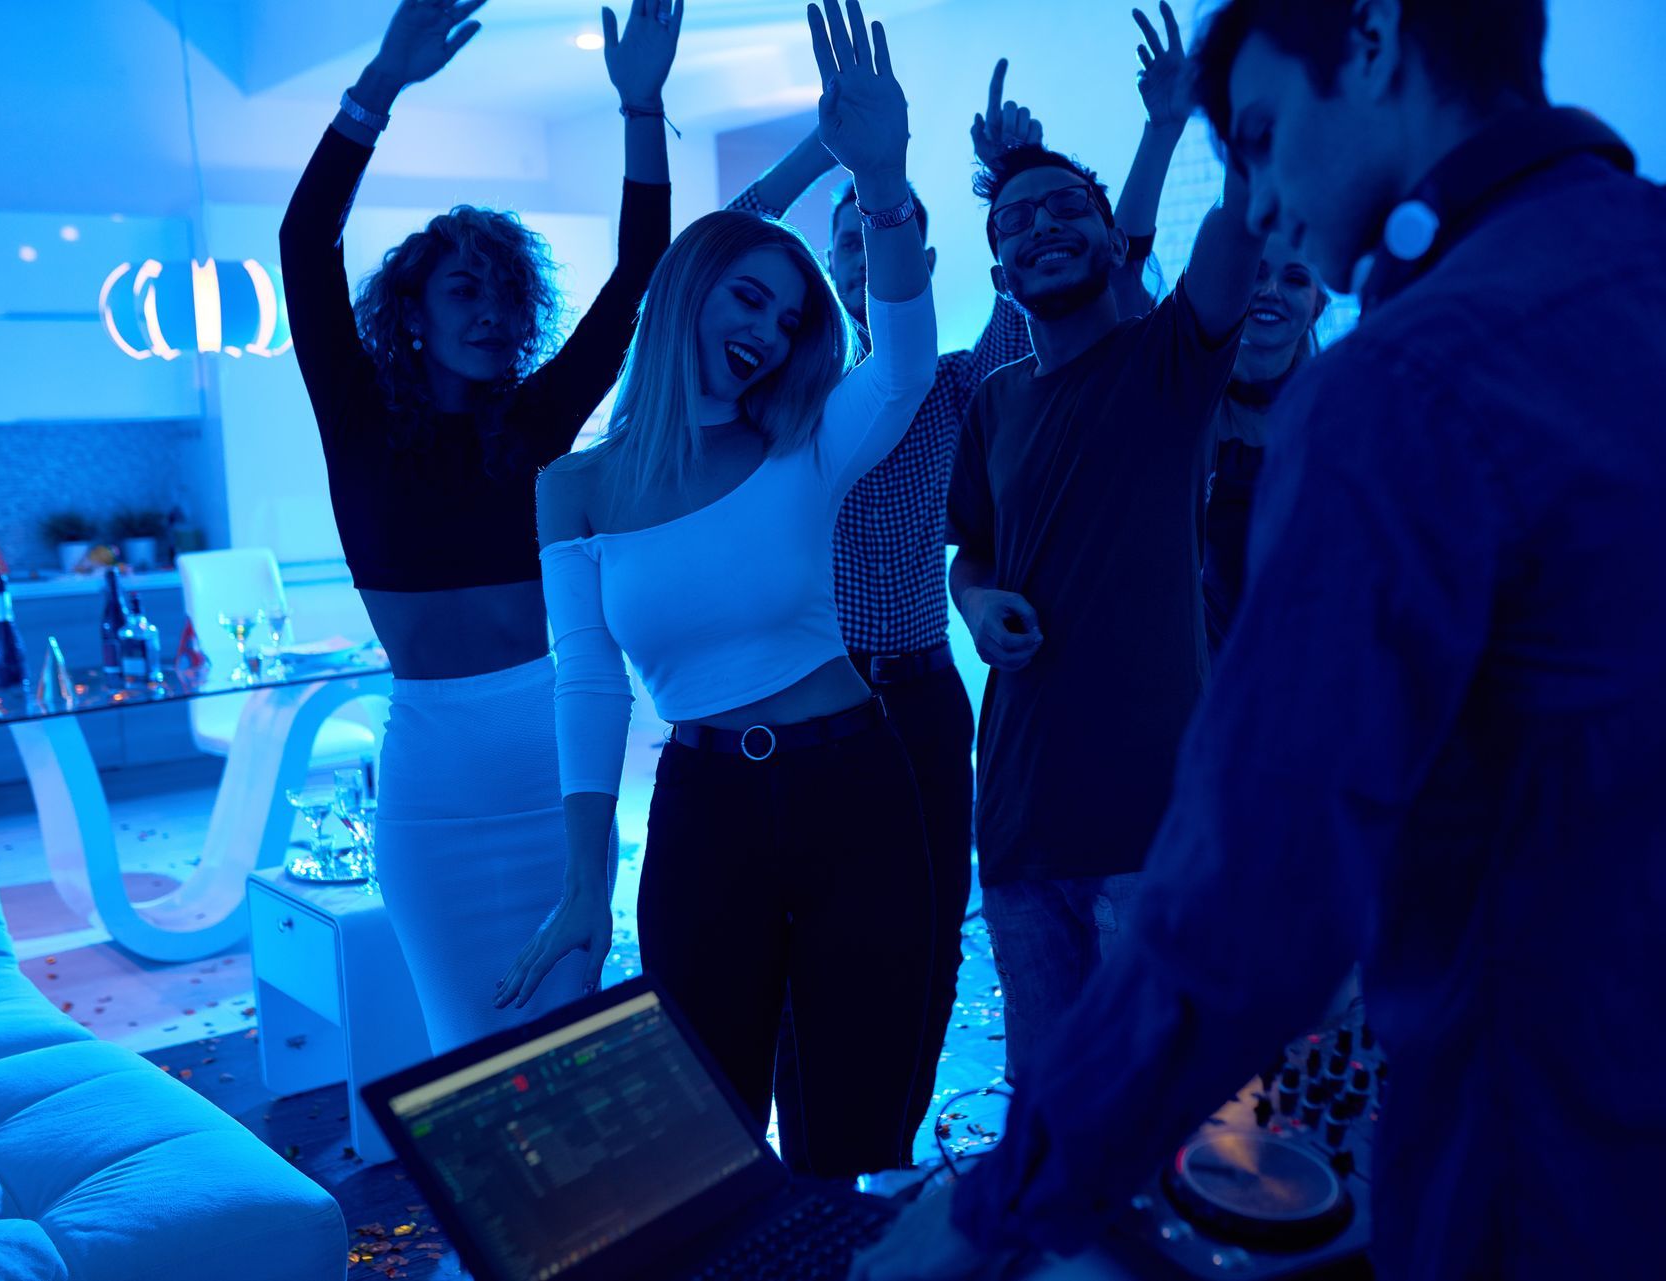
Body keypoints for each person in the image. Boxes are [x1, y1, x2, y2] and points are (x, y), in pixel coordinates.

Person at [853, 0, 1666, 1276]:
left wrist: (989, 1213)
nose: (1256, 192)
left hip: (1570, 1171)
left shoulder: (1402, 387)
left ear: (1372, 46)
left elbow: (1258, 898)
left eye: (1256, 134)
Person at [497, 0, 942, 1180]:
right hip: (701, 819)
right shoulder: (575, 489)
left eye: (789, 317)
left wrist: (884, 183)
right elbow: (588, 688)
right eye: (746, 296)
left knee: (851, 1133)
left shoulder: (805, 444)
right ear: (689, 291)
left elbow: (900, 364)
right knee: (702, 1142)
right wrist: (582, 889)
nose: (767, 329)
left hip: (856, 792)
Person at [278, 0, 679, 1053]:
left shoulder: (542, 419)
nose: (493, 311)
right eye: (466, 290)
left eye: (508, 293)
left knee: (579, 1041)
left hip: (557, 767)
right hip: (433, 790)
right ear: (412, 313)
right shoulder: (359, 418)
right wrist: (378, 87)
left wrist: (641, 107)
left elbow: (642, 271)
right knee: (469, 1053)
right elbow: (303, 238)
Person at [719, 59, 1052, 1166]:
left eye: (880, 236)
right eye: (849, 241)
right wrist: (834, 151)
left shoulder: (958, 386)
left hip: (913, 696)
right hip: (800, 700)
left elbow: (1030, 319)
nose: (865, 253)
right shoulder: (774, 402)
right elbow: (718, 247)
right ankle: (814, 1166)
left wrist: (1008, 166)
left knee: (926, 931)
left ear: (920, 259)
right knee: (811, 945)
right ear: (831, 268)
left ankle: (886, 1148)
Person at [946, 1, 1264, 1080]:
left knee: (1180, 1123)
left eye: (1065, 208)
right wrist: (978, 605)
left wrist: (1194, 116)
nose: (1042, 227)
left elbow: (1238, 228)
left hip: (1156, 835)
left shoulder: (1170, 365)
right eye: (1016, 221)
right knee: (1053, 1126)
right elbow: (971, 555)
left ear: (1110, 232)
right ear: (997, 275)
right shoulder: (991, 402)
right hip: (1022, 829)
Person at [1201, 233, 1327, 654]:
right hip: (1201, 682)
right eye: (1256, 275)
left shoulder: (1339, 419)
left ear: (1317, 306)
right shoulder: (1185, 407)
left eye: (1294, 280)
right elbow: (1128, 274)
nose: (1270, 292)